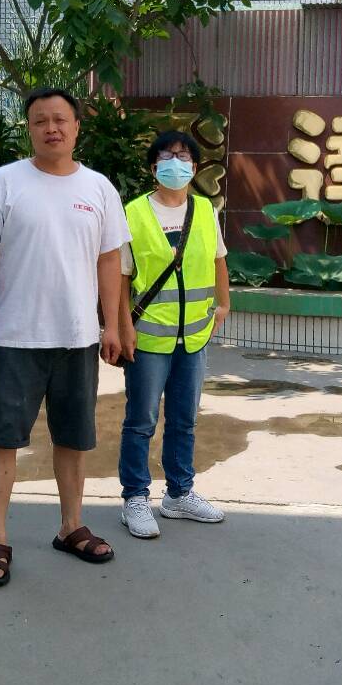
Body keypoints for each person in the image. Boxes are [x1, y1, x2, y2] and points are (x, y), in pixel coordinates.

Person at [0, 87, 129, 587]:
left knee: (73, 438)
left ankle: (71, 526)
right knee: (3, 439)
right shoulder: (4, 182)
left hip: (78, 337)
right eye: (40, 121)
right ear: (29, 128)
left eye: (60, 119)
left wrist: (112, 324)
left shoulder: (99, 188)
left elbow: (109, 262)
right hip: (15, 336)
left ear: (77, 127)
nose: (51, 128)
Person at [116, 130, 230, 539]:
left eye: (183, 157)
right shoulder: (133, 213)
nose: (175, 164)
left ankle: (179, 493)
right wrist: (121, 327)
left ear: (195, 168)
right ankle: (135, 498)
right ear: (153, 168)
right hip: (149, 337)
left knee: (184, 419)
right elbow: (121, 276)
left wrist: (223, 303)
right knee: (141, 420)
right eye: (166, 157)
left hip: (194, 337)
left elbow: (218, 258)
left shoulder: (205, 210)